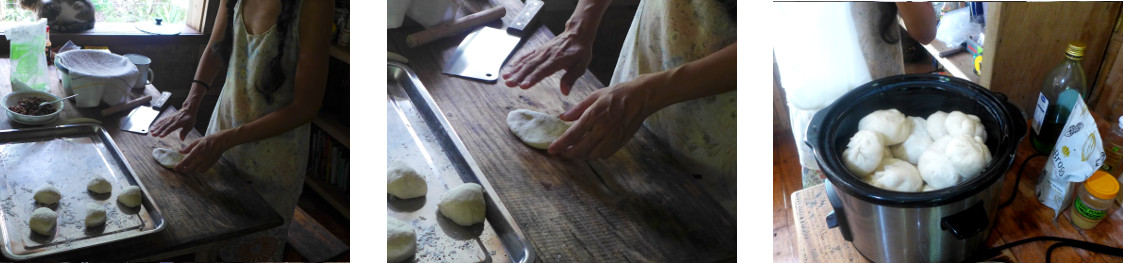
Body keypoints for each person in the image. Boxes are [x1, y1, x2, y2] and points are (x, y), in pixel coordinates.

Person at [501, 0, 737, 211]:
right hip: (647, 61)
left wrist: (651, 92)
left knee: (699, 219)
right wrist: (580, 24)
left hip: (722, 116)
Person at [148, 0, 332, 260]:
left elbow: (306, 107)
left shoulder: (314, 5)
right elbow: (215, 50)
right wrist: (191, 103)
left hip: (272, 164)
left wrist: (224, 140)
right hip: (221, 139)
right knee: (208, 243)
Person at [774, 2, 936, 187]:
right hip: (816, 121)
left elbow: (926, 31)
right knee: (836, 201)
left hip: (886, 115)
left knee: (898, 191)